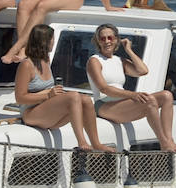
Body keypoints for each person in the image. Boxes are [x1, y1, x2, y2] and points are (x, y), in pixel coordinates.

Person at [85, 23, 176, 152]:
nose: (107, 41)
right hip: (103, 105)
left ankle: (170, 140)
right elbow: (104, 89)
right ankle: (164, 143)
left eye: (110, 38)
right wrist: (133, 95)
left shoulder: (119, 60)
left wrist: (128, 50)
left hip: (120, 103)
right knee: (150, 100)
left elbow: (143, 70)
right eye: (103, 39)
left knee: (167, 96)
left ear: (116, 40)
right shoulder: (94, 60)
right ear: (98, 41)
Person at [14, 24, 111, 152]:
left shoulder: (46, 60)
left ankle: (96, 143)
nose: (54, 42)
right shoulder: (26, 65)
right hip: (30, 113)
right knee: (74, 96)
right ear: (45, 41)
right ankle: (81, 141)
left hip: (46, 113)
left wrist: (54, 94)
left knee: (86, 99)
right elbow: (20, 98)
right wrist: (48, 95)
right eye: (52, 39)